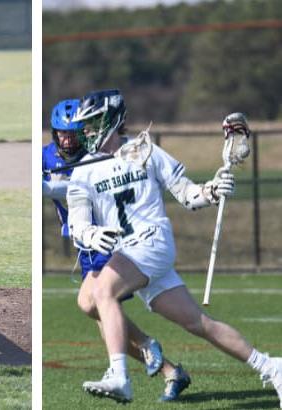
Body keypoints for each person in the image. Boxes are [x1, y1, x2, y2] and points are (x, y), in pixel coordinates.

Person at [66, 89, 282, 404]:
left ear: (112, 120)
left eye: (93, 122)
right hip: (129, 254)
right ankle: (272, 366)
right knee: (198, 323)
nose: (86, 131)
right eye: (83, 125)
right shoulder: (82, 171)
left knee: (102, 292)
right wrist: (90, 235)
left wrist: (211, 190)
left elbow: (188, 195)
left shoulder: (146, 152)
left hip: (151, 241)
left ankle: (119, 376)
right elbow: (77, 223)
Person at [43, 98, 191, 402]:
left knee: (94, 301)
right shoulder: (45, 156)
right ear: (54, 132)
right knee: (99, 311)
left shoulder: (96, 153)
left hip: (110, 237)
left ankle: (144, 356)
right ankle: (168, 369)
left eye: (74, 132)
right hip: (86, 242)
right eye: (62, 133)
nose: (69, 139)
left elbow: (68, 187)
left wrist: (45, 187)